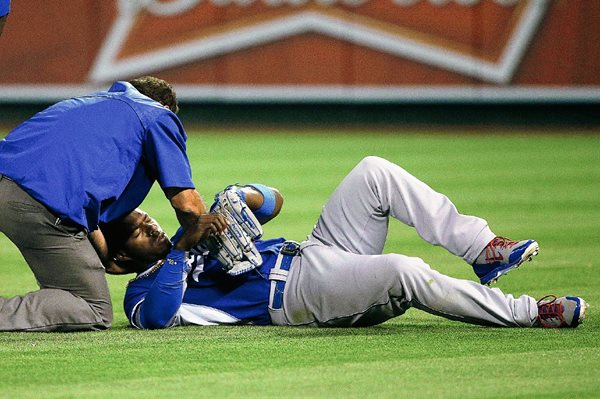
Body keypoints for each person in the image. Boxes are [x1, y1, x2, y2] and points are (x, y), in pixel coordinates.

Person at [107, 156, 587, 330]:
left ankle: (482, 248)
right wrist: (185, 248)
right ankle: (528, 312)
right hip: (297, 297)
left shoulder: (191, 231)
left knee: (373, 172)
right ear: (119, 260)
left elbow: (273, 202)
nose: (148, 223)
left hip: (315, 252)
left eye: (144, 214)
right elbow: (156, 318)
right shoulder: (140, 292)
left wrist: (241, 196)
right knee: (404, 271)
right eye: (134, 228)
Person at [0, 76, 225, 332]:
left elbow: (84, 208)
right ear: (164, 106)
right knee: (92, 308)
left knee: (71, 283)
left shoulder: (89, 102)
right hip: (37, 203)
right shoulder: (157, 114)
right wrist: (202, 241)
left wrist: (103, 257)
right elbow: (187, 206)